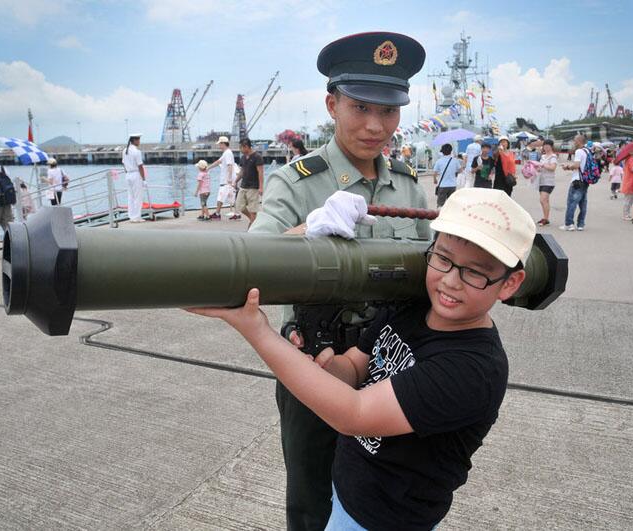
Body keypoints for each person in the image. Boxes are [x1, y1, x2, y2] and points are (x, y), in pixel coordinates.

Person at [191, 188, 534, 530]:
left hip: (388, 519)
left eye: (475, 273)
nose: (450, 281)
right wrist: (321, 364)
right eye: (443, 258)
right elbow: (356, 366)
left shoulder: (473, 369)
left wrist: (257, 331)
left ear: (510, 284)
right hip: (349, 493)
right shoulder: (413, 306)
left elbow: (353, 414)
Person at [248, 31, 430, 530]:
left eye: (388, 111)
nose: (375, 126)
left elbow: (430, 270)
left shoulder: (408, 185)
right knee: (312, 498)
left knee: (384, 496)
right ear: (332, 105)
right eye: (360, 108)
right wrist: (308, 229)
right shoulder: (296, 181)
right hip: (316, 363)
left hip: (390, 366)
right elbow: (251, 262)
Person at [559, 134, 589, 232]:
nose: (574, 142)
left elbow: (576, 165)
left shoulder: (579, 151)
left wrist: (567, 167)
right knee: (583, 204)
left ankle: (569, 224)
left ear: (579, 141)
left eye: (575, 140)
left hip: (577, 180)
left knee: (572, 202)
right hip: (585, 180)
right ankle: (581, 224)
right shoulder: (587, 151)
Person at [207, 136, 239, 220]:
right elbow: (218, 162)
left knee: (221, 197)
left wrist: (229, 178)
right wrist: (208, 168)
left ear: (223, 144)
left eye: (220, 144)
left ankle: (217, 213)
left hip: (226, 180)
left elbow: (229, 165)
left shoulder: (227, 153)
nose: (219, 146)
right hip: (228, 179)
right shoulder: (226, 153)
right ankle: (237, 213)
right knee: (232, 197)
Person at [234, 138, 264, 227]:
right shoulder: (243, 157)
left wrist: (261, 187)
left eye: (241, 147)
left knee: (253, 209)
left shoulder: (257, 157)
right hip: (244, 185)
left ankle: (252, 227)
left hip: (253, 187)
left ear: (246, 147)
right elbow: (242, 171)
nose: (240, 149)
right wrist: (235, 181)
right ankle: (252, 220)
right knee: (239, 206)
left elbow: (260, 173)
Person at [122, 133, 146, 223]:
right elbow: (140, 166)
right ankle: (137, 217)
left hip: (128, 174)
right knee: (138, 197)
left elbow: (123, 163)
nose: (139, 142)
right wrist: (144, 179)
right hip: (136, 174)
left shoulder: (125, 150)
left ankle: (131, 216)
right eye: (138, 140)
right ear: (134, 140)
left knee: (130, 197)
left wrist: (127, 172)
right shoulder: (137, 151)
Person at [537, 139, 558, 226]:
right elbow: (540, 167)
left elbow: (553, 168)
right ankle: (546, 218)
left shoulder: (553, 157)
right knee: (545, 201)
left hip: (549, 182)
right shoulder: (542, 156)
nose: (545, 147)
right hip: (541, 181)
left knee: (542, 200)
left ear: (551, 146)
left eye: (547, 145)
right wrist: (537, 168)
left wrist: (543, 165)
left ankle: (545, 219)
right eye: (544, 145)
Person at [620, 150, 633, 220]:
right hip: (630, 182)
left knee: (630, 199)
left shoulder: (629, 159)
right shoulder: (631, 159)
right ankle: (625, 215)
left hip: (630, 181)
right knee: (628, 200)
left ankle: (627, 214)